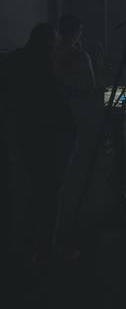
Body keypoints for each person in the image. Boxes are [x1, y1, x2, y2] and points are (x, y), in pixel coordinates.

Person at [1, 23, 76, 263]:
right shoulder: (44, 67)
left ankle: (30, 247)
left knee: (39, 192)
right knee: (49, 193)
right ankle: (44, 248)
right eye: (54, 45)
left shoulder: (15, 61)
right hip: (49, 137)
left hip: (29, 135)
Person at [55, 14, 96, 97]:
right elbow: (91, 85)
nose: (81, 34)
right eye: (80, 30)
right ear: (75, 32)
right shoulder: (82, 56)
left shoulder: (51, 52)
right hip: (77, 101)